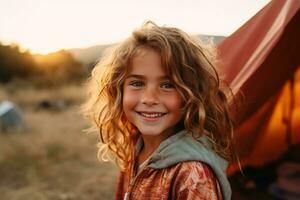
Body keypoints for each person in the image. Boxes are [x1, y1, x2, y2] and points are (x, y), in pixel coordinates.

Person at [82, 21, 235, 200]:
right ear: (118, 90)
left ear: (191, 93)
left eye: (167, 85)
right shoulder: (136, 147)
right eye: (137, 83)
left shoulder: (192, 175)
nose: (149, 98)